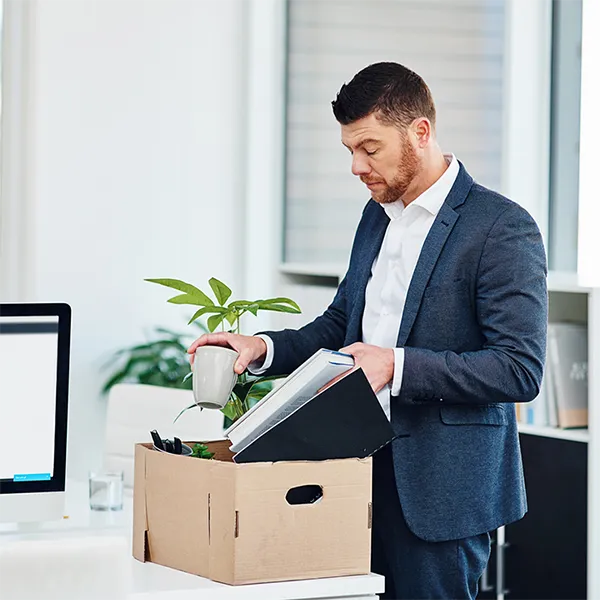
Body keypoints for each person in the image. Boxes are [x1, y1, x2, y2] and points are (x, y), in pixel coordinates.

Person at [188, 62, 547, 599]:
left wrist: (395, 365)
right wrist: (260, 347)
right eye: (349, 150)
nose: (357, 166)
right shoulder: (376, 214)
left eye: (370, 148)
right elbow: (341, 324)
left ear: (419, 133)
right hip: (354, 475)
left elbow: (519, 368)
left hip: (439, 492)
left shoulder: (501, 227)